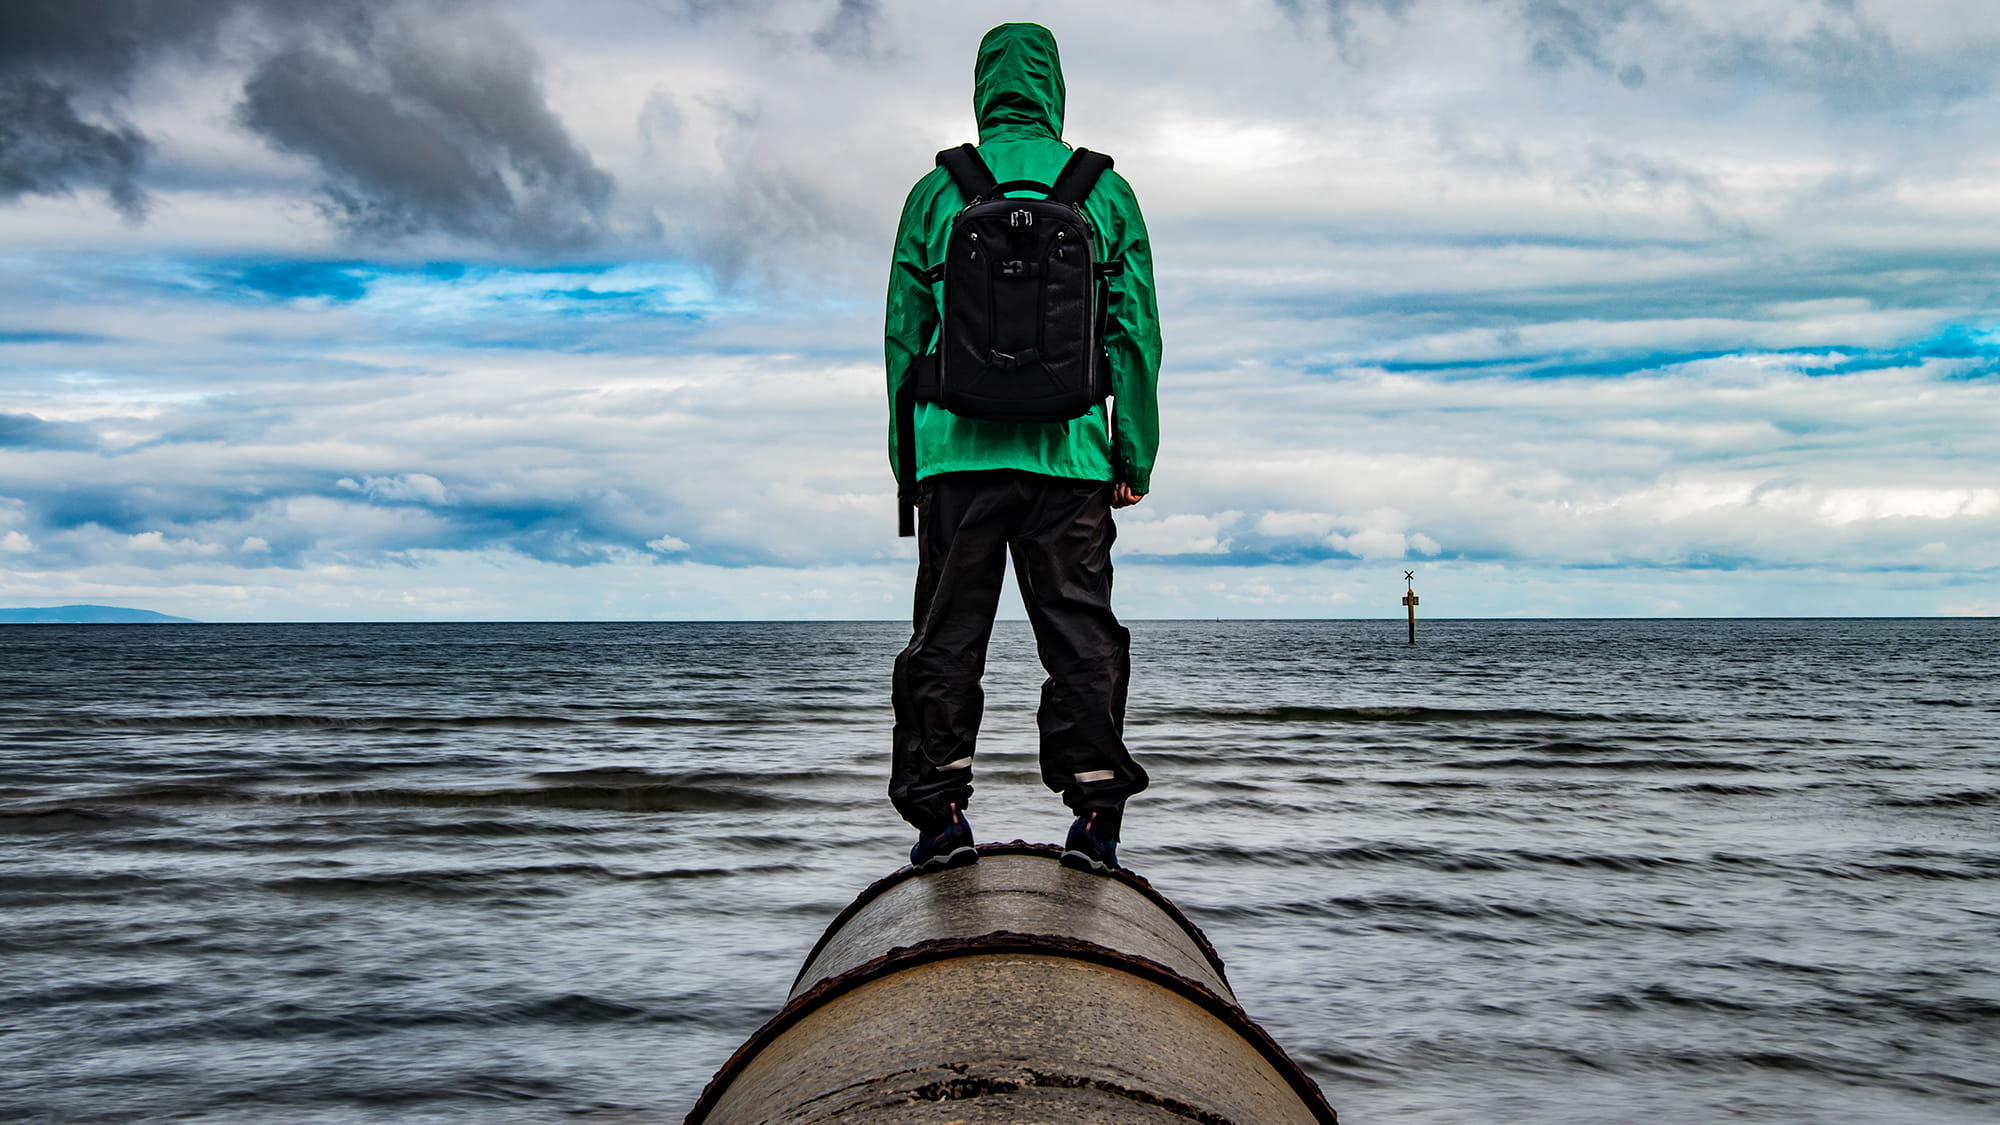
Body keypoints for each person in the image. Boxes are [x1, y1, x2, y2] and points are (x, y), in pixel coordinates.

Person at [884, 22, 1161, 875]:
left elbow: (903, 337)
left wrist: (911, 463)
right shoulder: (1102, 192)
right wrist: (1133, 454)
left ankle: (939, 820)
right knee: (1080, 634)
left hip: (957, 460)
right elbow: (1134, 335)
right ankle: (1095, 819)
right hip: (1070, 459)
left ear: (982, 87)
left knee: (947, 637)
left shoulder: (938, 191)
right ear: (1055, 87)